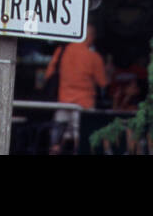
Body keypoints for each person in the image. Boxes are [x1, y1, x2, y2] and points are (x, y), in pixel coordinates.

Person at [45, 22, 108, 153]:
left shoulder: (61, 51)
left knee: (56, 142)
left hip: (63, 103)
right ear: (90, 36)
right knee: (81, 144)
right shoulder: (93, 57)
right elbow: (103, 83)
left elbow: (48, 74)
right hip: (84, 106)